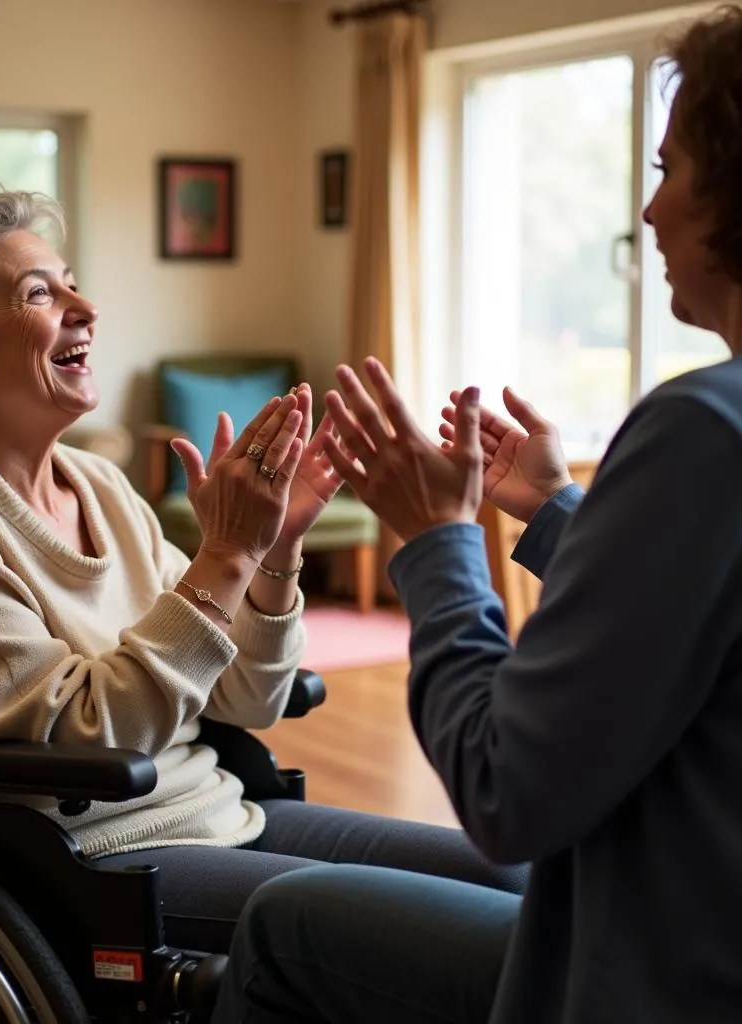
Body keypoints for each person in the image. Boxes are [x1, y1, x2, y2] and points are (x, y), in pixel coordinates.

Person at [210, 4, 742, 1021]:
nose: (648, 214)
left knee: (288, 927)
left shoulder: (702, 430)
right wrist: (550, 512)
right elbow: (694, 617)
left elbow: (507, 789)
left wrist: (437, 544)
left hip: (653, 976)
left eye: (668, 170)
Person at [0, 180, 524, 954]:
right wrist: (225, 553)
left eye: (71, 281)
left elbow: (247, 697)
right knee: (466, 941)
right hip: (84, 863)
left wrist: (276, 548)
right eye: (40, 293)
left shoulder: (97, 484)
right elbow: (89, 734)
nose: (85, 307)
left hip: (218, 812)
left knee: (521, 879)